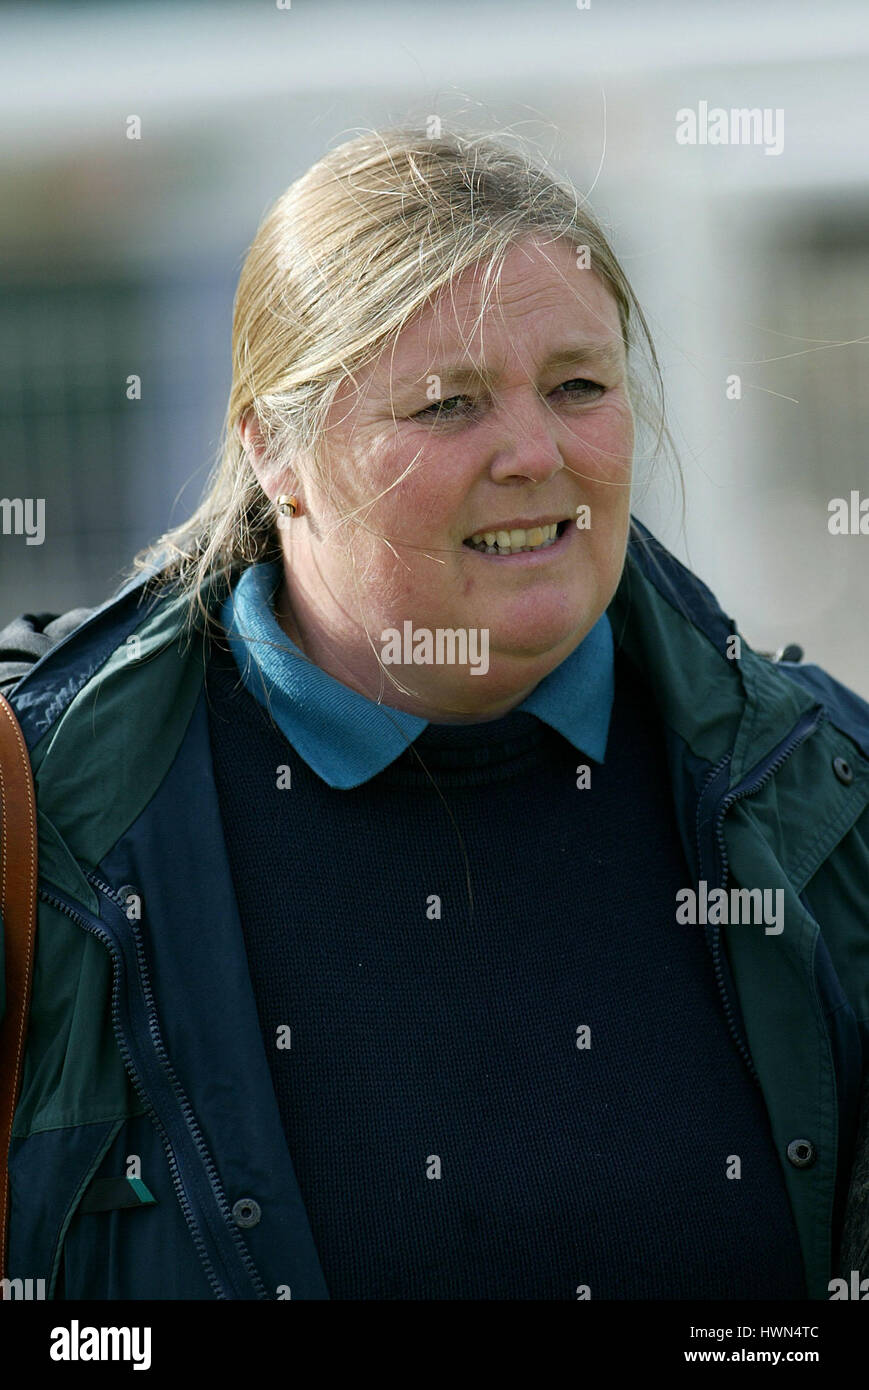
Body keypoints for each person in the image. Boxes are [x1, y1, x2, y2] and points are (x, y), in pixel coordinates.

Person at [2, 126, 868, 1302]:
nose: (531, 452)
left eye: (575, 385)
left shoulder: (827, 798)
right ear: (274, 452)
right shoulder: (43, 827)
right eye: (447, 404)